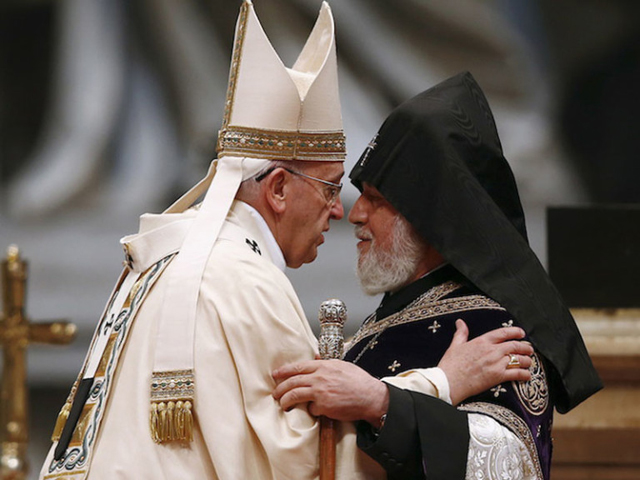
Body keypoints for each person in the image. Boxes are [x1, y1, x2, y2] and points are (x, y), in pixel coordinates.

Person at [38, 2, 533, 477]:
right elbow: (312, 463)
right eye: (330, 189)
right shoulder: (247, 285)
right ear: (277, 188)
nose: (340, 212)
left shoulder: (161, 257)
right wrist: (441, 384)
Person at [273, 72, 603, 480]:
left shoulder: (494, 329)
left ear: (429, 219)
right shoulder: (385, 320)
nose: (355, 214)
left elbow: (507, 462)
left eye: (375, 200)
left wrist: (381, 402)